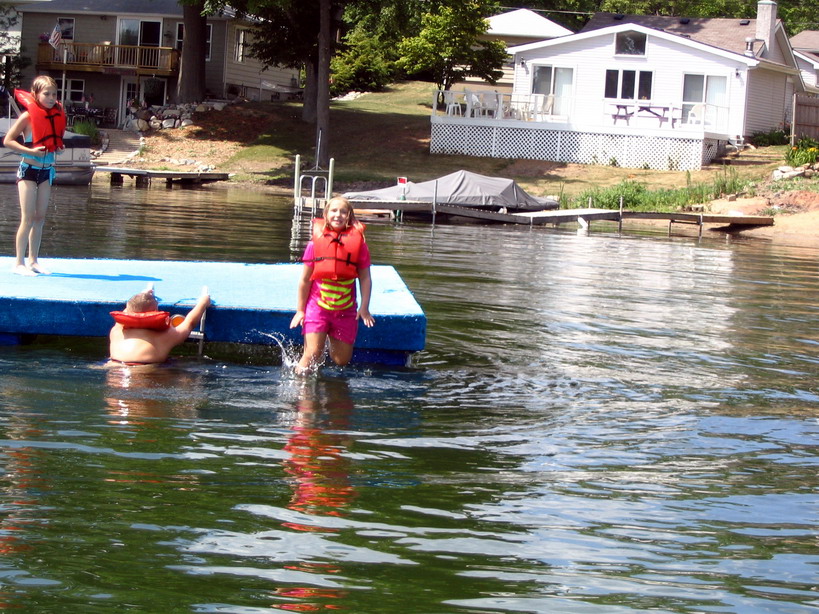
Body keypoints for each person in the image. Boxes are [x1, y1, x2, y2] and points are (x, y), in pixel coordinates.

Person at [289, 196, 375, 373]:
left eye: (343, 212)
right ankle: (300, 385)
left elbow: (365, 278)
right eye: (334, 211)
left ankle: (327, 338)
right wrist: (300, 310)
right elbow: (304, 280)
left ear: (350, 216)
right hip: (317, 308)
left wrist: (364, 308)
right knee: (312, 354)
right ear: (326, 214)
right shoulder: (314, 244)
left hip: (345, 310)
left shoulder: (360, 246)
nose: (338, 215)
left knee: (341, 360)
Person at [3, 76, 66, 276]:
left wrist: (59, 148)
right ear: (35, 94)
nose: (51, 98)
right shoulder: (27, 117)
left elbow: (54, 142)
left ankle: (33, 261)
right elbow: (8, 141)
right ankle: (18, 263)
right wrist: (30, 152)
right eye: (46, 94)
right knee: (28, 218)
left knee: (40, 218)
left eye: (54, 94)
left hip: (46, 172)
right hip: (28, 171)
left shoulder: (55, 115)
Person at [108, 287, 211, 365]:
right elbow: (189, 323)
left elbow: (129, 311)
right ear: (155, 312)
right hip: (147, 372)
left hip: (114, 367)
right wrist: (203, 302)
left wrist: (143, 295)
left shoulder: (117, 331)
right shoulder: (165, 335)